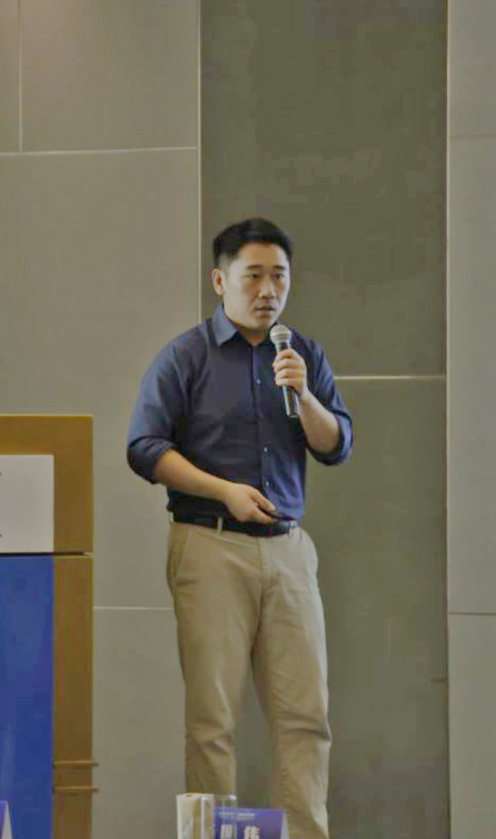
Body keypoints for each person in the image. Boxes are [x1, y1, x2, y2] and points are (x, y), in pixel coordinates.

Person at [127, 217, 353, 839]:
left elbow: (336, 444)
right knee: (213, 721)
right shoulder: (186, 356)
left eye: (279, 276)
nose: (268, 290)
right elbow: (144, 448)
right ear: (219, 281)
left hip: (289, 551)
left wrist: (304, 395)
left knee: (306, 716)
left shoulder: (301, 355)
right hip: (210, 543)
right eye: (253, 275)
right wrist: (222, 489)